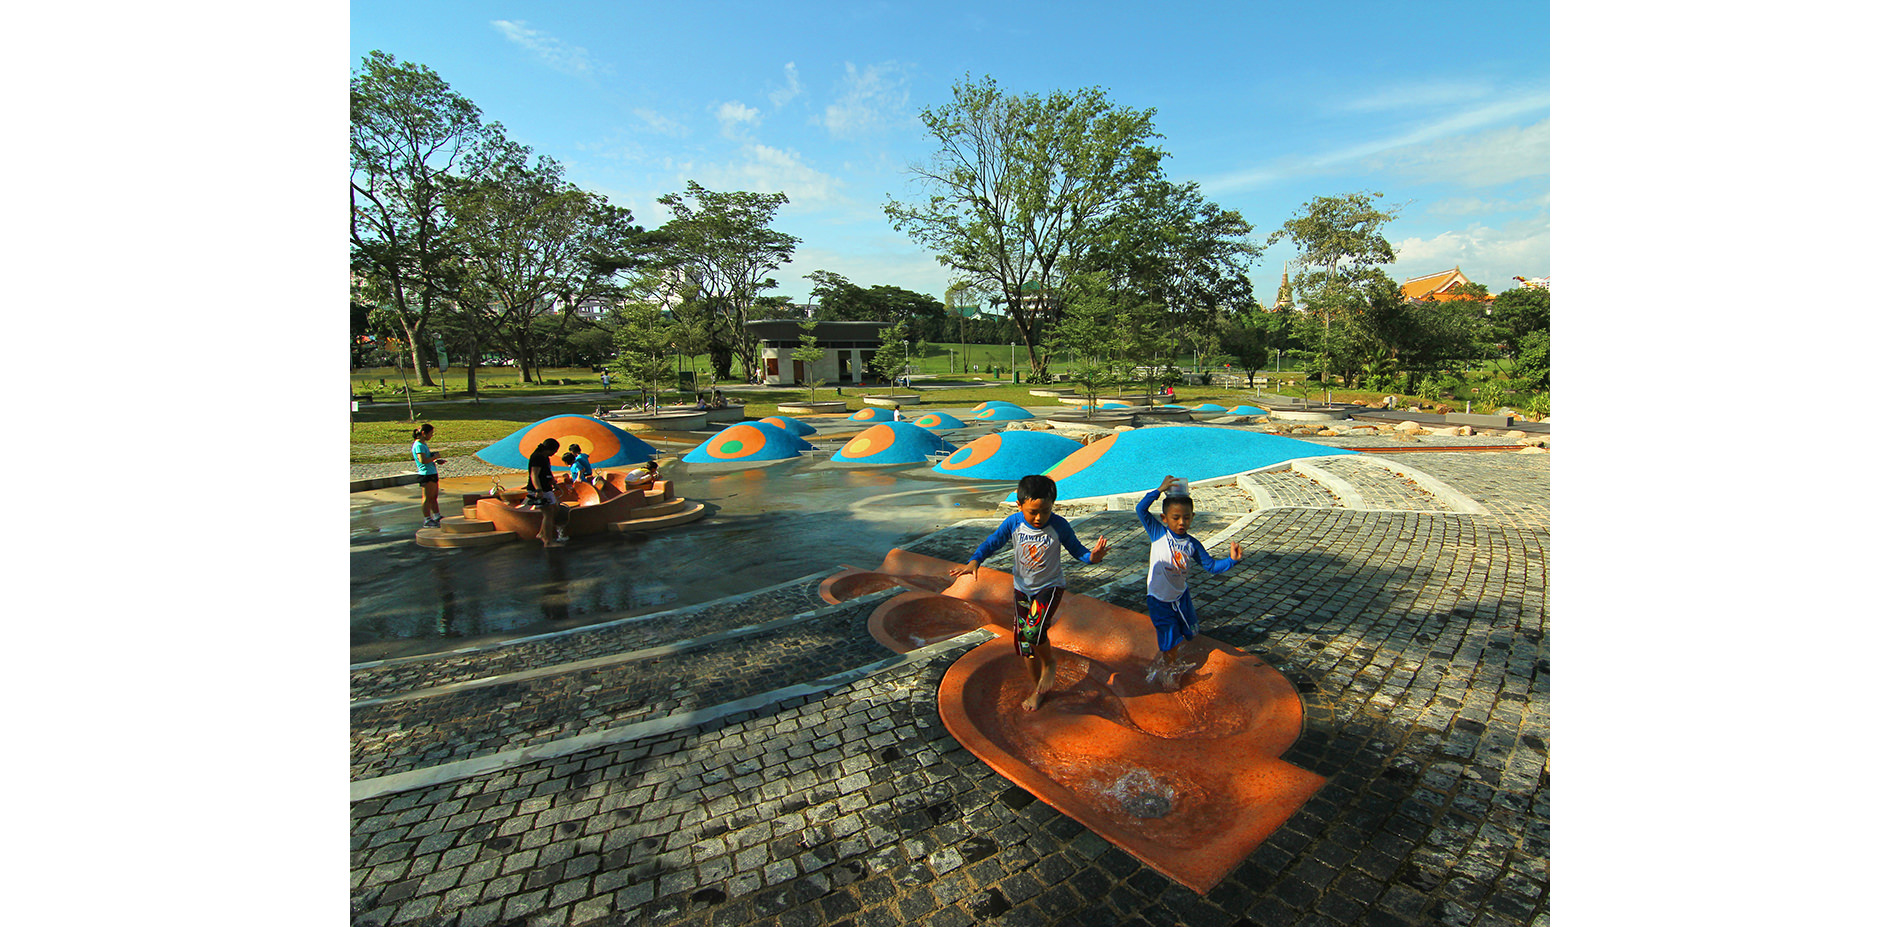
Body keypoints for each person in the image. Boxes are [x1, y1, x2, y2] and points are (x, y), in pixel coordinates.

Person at [950, 474, 1109, 711]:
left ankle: (1050, 663)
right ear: (1019, 504)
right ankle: (1039, 690)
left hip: (1049, 587)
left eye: (1045, 511)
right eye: (1033, 511)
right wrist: (975, 560)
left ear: (1052, 506)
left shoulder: (1058, 525)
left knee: (1034, 631)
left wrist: (1091, 558)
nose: (1038, 517)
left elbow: (1077, 550)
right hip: (1022, 590)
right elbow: (993, 541)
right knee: (1024, 644)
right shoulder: (1013, 523)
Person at [1136, 475, 1242, 690]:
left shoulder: (1192, 544)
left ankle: (1170, 655)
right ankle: (1169, 671)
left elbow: (1211, 566)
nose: (1181, 522)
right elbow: (1140, 510)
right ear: (1164, 518)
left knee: (1190, 633)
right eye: (1175, 517)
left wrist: (1231, 560)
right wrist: (1159, 489)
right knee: (1171, 638)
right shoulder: (1158, 533)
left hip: (1181, 597)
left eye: (1186, 517)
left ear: (1193, 517)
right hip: (1159, 599)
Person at [525, 437, 568, 547]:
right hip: (540, 489)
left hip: (546, 487)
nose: (555, 453)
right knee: (548, 513)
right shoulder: (537, 457)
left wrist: (554, 483)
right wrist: (538, 489)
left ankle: (542, 533)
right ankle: (547, 541)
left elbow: (547, 472)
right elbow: (534, 474)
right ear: (550, 449)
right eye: (555, 451)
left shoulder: (545, 457)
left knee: (554, 509)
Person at [412, 423, 448, 527]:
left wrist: (436, 460)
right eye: (431, 433)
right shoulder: (418, 445)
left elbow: (427, 458)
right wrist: (434, 457)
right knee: (427, 498)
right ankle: (427, 520)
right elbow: (422, 460)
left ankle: (437, 516)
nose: (432, 436)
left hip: (432, 472)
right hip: (426, 474)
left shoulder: (423, 444)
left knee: (433, 497)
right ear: (423, 433)